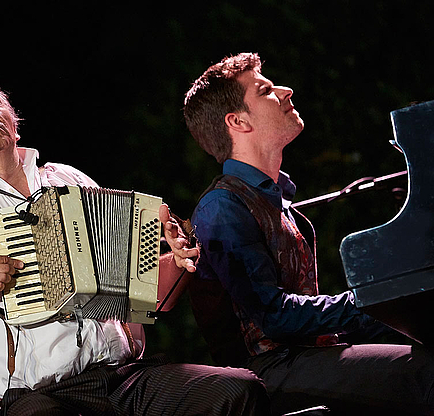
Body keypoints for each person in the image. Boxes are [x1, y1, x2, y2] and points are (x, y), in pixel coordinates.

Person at [0, 71, 271, 415]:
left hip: (125, 377)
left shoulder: (68, 179)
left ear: (14, 121)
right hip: (38, 398)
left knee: (239, 391)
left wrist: (174, 258)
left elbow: (152, 301)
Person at [182, 52, 434, 415]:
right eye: (265, 90)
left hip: (306, 357)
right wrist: (376, 301)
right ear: (238, 121)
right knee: (426, 374)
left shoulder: (278, 203)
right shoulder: (221, 207)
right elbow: (276, 317)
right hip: (266, 373)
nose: (286, 91)